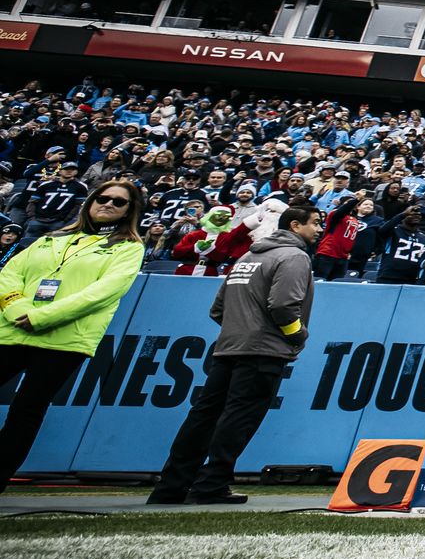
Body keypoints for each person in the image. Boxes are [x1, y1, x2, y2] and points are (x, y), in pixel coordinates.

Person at [150, 202, 322, 504]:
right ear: (295, 226)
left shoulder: (246, 256)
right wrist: (298, 336)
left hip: (228, 347)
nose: (319, 229)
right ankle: (211, 485)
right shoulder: (294, 256)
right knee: (239, 418)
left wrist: (239, 328)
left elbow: (218, 309)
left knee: (203, 416)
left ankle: (171, 486)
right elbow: (283, 306)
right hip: (264, 350)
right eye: (315, 223)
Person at [0, 177, 146, 489]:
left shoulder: (129, 248)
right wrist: (16, 309)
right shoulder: (52, 237)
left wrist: (42, 316)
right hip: (12, 329)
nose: (107, 204)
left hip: (64, 339)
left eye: (118, 202)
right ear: (90, 201)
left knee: (26, 409)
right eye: (102, 197)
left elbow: (103, 292)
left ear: (129, 211)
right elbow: (10, 273)